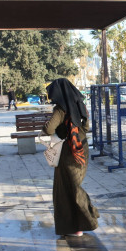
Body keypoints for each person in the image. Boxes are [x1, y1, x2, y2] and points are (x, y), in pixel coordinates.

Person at [41, 78, 99, 237]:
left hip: (68, 151)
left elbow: (48, 129)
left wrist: (52, 127)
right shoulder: (80, 104)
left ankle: (80, 223)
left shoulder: (60, 109)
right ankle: (83, 222)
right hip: (82, 149)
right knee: (74, 186)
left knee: (66, 189)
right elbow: (86, 127)